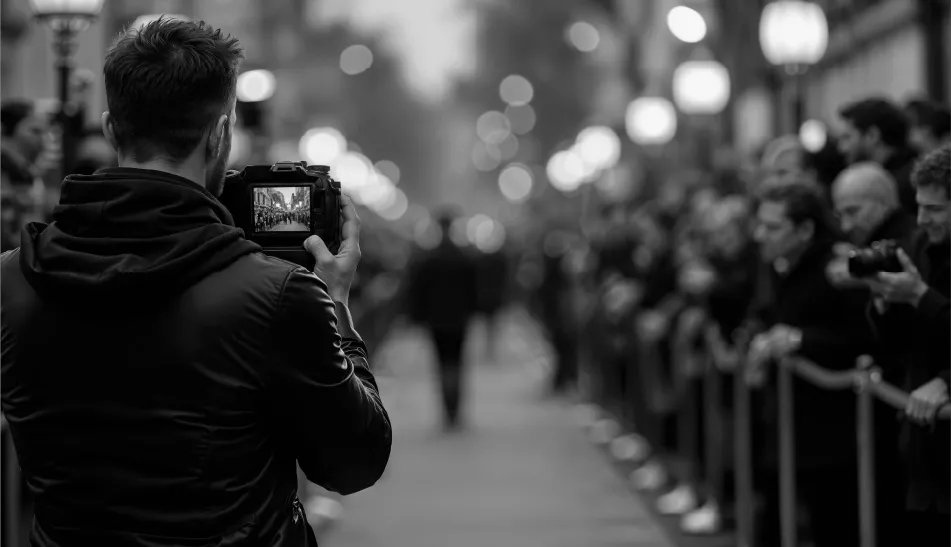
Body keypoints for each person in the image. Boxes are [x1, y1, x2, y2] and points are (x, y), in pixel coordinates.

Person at [0, 18, 391, 546]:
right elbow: (355, 461)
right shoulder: (277, 294)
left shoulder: (12, 280)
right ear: (221, 133)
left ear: (112, 127)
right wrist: (337, 307)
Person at [746, 182, 874, 547]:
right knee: (773, 515)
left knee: (832, 522)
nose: (760, 235)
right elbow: (768, 312)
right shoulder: (778, 264)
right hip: (786, 417)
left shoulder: (837, 264)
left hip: (832, 426)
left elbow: (862, 337)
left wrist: (800, 339)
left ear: (804, 229)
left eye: (772, 227)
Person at [866, 143, 950, 547]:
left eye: (934, 209)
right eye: (919, 206)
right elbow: (898, 344)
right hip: (920, 444)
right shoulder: (917, 245)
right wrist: (885, 302)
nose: (921, 218)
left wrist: (920, 295)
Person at [406, 208, 480, 430]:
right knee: (457, 363)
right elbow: (473, 290)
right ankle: (455, 411)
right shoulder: (464, 257)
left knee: (442, 364)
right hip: (459, 319)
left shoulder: (429, 259)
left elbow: (418, 290)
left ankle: (447, 411)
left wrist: (418, 316)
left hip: (436, 320)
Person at [838, 97, 920, 215]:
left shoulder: (904, 187)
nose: (841, 148)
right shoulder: (907, 175)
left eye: (847, 137)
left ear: (872, 135)